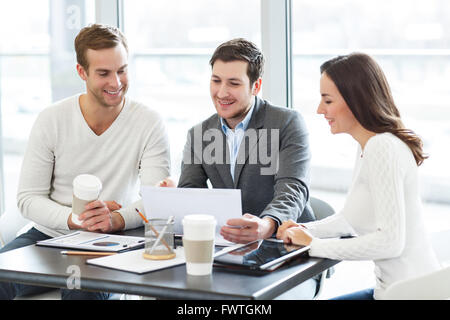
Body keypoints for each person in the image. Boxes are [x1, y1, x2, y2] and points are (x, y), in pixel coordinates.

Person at [0, 24, 170, 300]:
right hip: (48, 237)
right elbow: (28, 198)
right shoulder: (51, 119)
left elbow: (156, 198)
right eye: (104, 73)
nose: (116, 83)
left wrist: (114, 219)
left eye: (122, 70)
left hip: (113, 243)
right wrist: (76, 219)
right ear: (82, 72)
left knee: (81, 295)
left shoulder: (149, 122)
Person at [161, 38, 318, 299]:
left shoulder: (287, 123)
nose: (222, 92)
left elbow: (293, 188)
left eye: (233, 83)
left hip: (287, 251)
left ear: (255, 85)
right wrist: (176, 197)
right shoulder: (199, 133)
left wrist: (268, 224)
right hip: (227, 254)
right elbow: (192, 192)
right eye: (216, 80)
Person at [277, 52, 440, 300]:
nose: (320, 110)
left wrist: (312, 245)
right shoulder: (368, 145)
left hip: (410, 295)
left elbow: (390, 242)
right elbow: (348, 220)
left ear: (356, 100)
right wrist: (302, 230)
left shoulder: (382, 147)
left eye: (328, 101)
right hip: (390, 292)